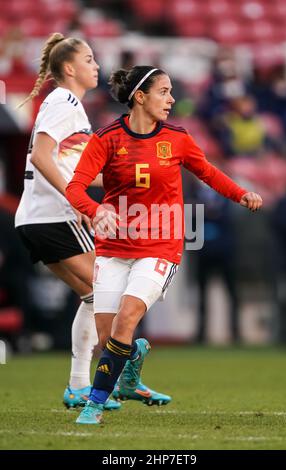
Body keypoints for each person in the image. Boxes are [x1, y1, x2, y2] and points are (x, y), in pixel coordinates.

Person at [65, 65, 263, 425]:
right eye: (164, 92)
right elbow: (75, 187)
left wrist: (241, 194)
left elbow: (208, 172)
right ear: (139, 97)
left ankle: (94, 405)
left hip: (160, 246)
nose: (172, 100)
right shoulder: (107, 138)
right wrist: (96, 211)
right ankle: (131, 367)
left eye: (172, 92)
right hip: (113, 247)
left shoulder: (178, 138)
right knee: (111, 339)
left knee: (126, 320)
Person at [15, 34, 169, 412]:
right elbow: (40, 156)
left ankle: (80, 385)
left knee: (94, 297)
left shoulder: (71, 107)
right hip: (54, 216)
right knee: (108, 298)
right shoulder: (64, 100)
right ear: (69, 68)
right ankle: (120, 377)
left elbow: (76, 169)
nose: (96, 65)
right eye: (88, 59)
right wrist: (79, 200)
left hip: (41, 217)